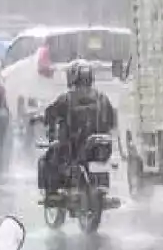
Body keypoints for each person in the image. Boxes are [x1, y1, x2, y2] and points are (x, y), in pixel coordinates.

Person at [38, 60, 118, 206]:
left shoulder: (67, 98)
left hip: (73, 148)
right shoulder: (102, 98)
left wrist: (41, 120)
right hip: (99, 149)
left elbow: (50, 114)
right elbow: (112, 120)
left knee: (46, 160)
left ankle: (52, 193)